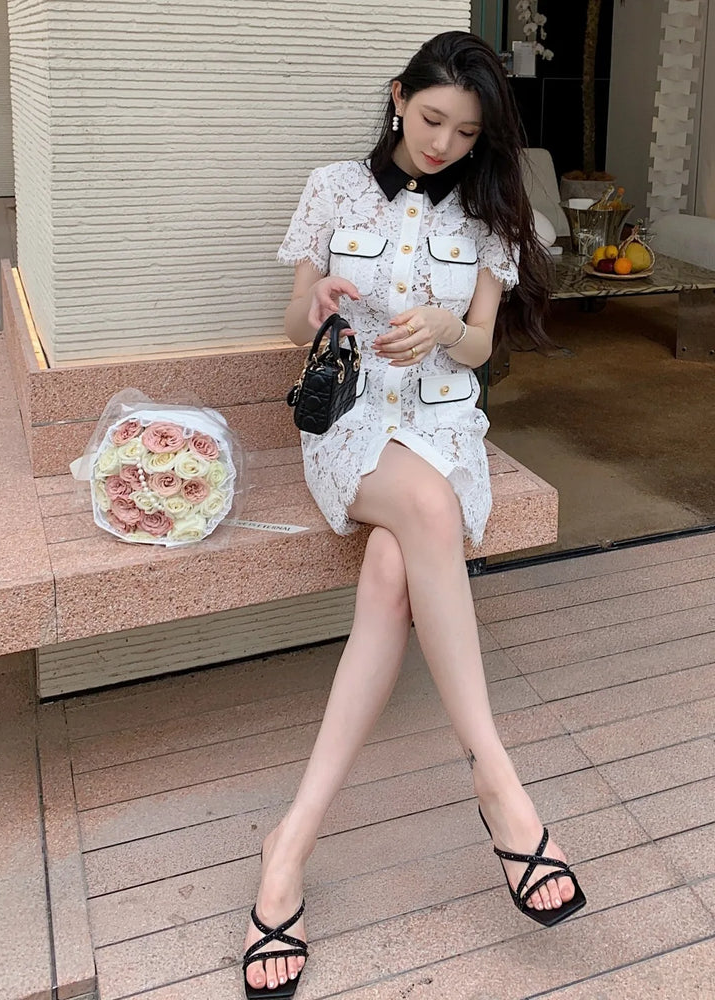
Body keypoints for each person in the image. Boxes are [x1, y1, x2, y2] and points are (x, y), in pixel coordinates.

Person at [242, 30, 585, 998]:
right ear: (399, 97)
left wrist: (445, 327)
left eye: (466, 133)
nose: (443, 144)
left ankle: (288, 845)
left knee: (395, 567)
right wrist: (318, 305)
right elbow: (293, 319)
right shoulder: (333, 190)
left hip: (441, 429)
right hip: (350, 431)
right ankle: (497, 782)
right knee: (425, 511)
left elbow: (478, 345)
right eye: (432, 119)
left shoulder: (490, 214)